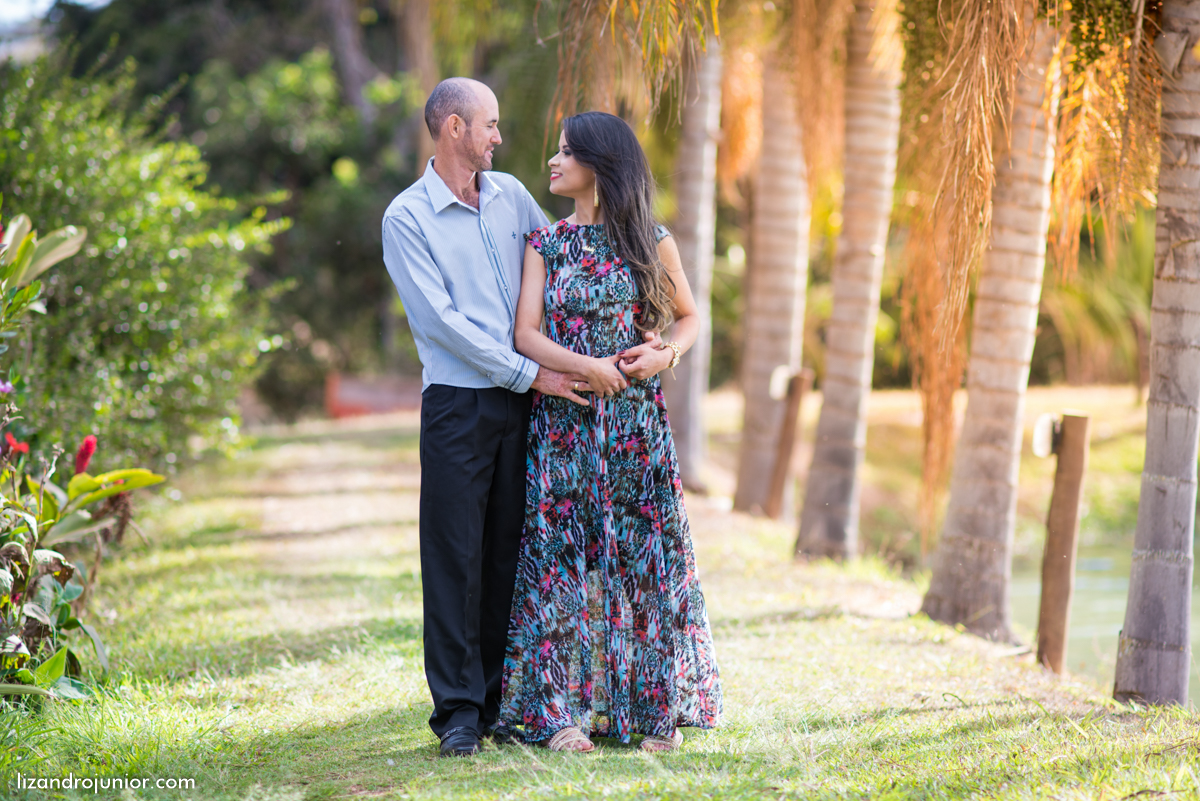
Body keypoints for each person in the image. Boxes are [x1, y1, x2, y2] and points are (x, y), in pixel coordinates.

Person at [381, 77, 595, 758]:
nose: (499, 137)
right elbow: (442, 326)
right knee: (453, 556)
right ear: (452, 128)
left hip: (526, 399)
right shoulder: (406, 217)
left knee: (508, 550)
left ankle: (500, 702)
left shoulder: (511, 197)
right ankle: (458, 714)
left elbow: (561, 257)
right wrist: (531, 370)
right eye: (490, 125)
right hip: (459, 404)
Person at [499, 111, 722, 753]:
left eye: (567, 152)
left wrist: (666, 356)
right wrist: (587, 367)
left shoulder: (652, 241)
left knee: (645, 562)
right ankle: (561, 716)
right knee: (561, 566)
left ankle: (654, 716)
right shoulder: (545, 245)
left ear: (600, 165)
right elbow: (526, 334)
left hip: (635, 428)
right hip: (566, 425)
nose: (553, 161)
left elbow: (687, 318)